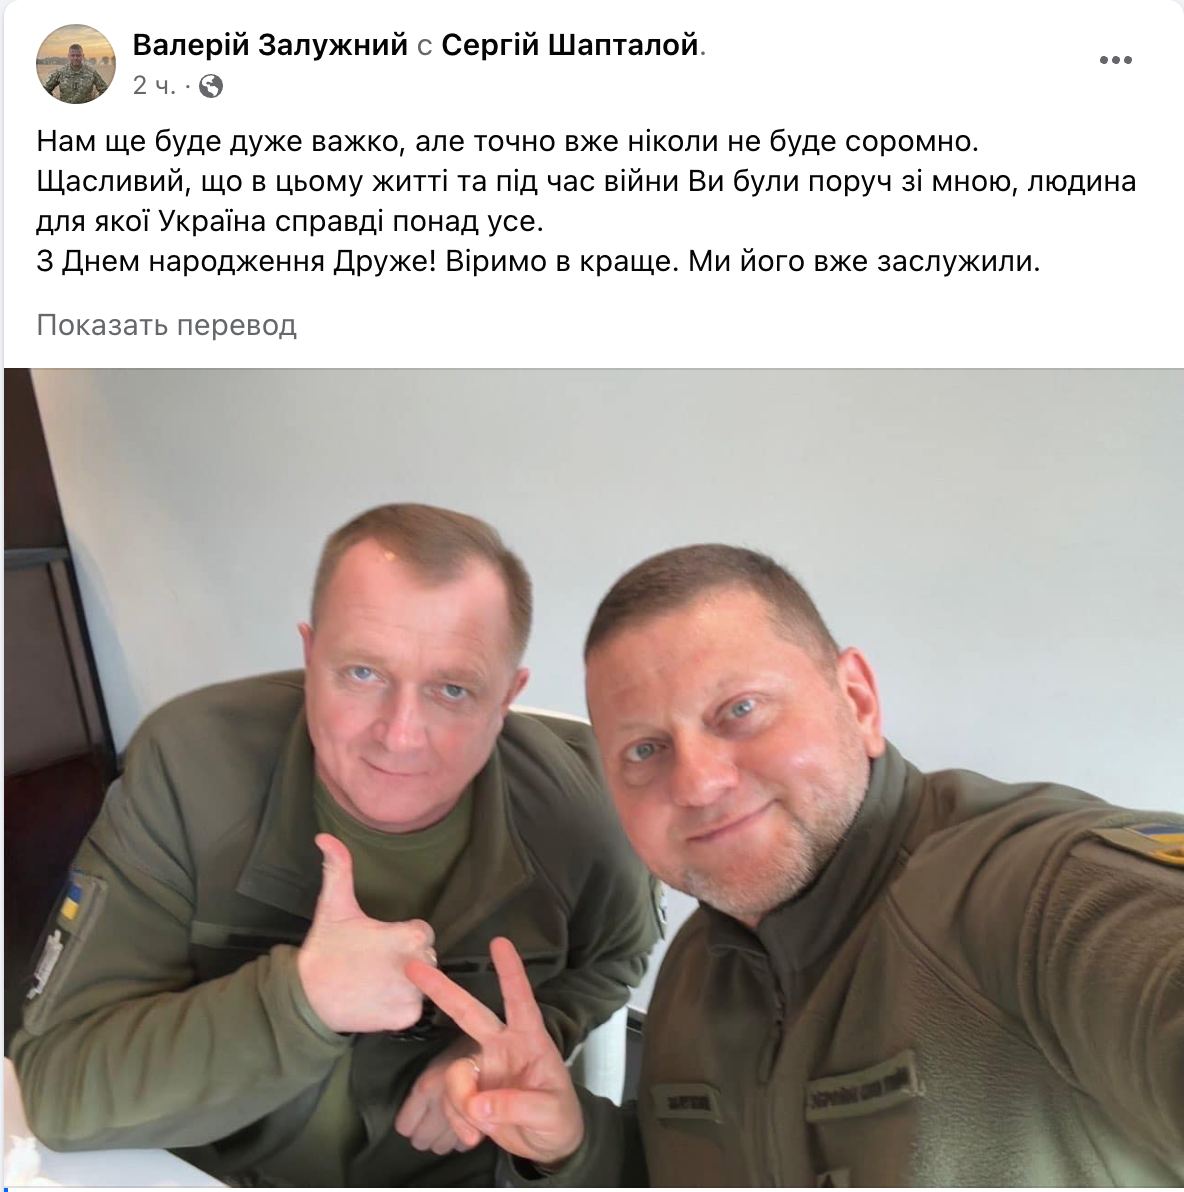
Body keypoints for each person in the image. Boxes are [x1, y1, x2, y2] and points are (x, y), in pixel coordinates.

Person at [409, 543, 1184, 1186]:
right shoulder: (696, 970)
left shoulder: (1028, 889)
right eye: (645, 749)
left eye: (740, 710)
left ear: (858, 700)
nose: (698, 783)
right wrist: (573, 1143)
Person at [11, 505, 660, 1187]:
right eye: (362, 673)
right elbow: (59, 1087)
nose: (400, 735)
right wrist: (300, 1000)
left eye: (452, 689)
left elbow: (615, 957)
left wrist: (509, 1043)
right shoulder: (189, 770)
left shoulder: (585, 813)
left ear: (506, 698)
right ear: (310, 655)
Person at [43, 43, 108, 104]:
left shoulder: (91, 72)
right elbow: (46, 89)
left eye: (78, 55)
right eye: (72, 55)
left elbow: (104, 89)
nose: (75, 58)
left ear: (83, 56)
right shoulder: (60, 72)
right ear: (68, 56)